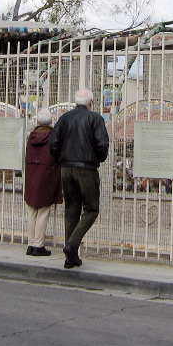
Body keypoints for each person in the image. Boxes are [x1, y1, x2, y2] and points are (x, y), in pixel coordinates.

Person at [49, 88, 109, 269]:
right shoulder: (95, 118)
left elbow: (53, 144)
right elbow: (102, 144)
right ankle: (72, 245)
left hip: (66, 168)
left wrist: (61, 159)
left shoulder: (64, 118)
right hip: (86, 168)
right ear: (91, 102)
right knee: (91, 209)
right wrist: (97, 158)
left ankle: (70, 258)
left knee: (72, 209)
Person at [24, 108, 62, 256]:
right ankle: (39, 245)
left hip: (32, 177)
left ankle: (31, 243)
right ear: (51, 122)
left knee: (31, 211)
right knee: (43, 212)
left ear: (38, 122)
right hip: (46, 176)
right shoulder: (53, 137)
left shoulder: (31, 137)